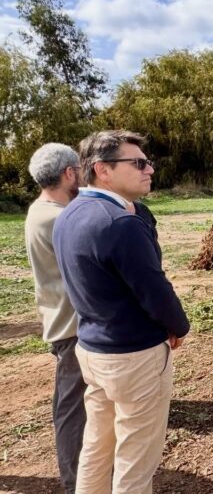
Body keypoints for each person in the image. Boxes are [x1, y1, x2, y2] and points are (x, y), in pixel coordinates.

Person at [53, 130, 190, 494]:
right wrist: (178, 326)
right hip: (134, 357)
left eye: (148, 162)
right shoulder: (120, 223)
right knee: (135, 461)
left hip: (93, 350)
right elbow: (154, 290)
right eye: (139, 163)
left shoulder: (69, 214)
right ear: (103, 170)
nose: (150, 169)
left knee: (97, 447)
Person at [24, 143, 85, 494]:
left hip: (61, 319)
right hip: (72, 326)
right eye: (79, 170)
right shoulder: (59, 217)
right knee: (72, 408)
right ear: (68, 173)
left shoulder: (40, 211)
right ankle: (77, 482)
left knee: (74, 402)